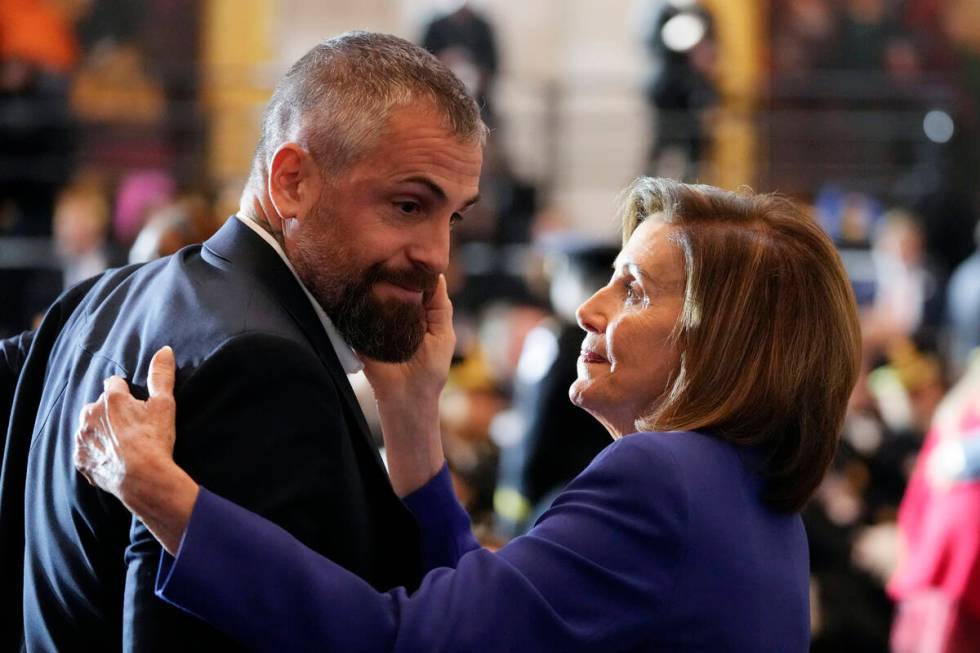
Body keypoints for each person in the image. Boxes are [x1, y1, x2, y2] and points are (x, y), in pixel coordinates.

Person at [76, 177, 863, 652]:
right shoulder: (756, 505)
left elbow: (410, 640)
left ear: (723, 334)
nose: (589, 309)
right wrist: (414, 417)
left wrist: (164, 497)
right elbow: (489, 613)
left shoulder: (663, 476)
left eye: (632, 289)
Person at [1, 31, 484, 652]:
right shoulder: (264, 368)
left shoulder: (108, 295)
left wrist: (414, 418)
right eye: (410, 205)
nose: (437, 257)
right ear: (292, 182)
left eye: (454, 217)